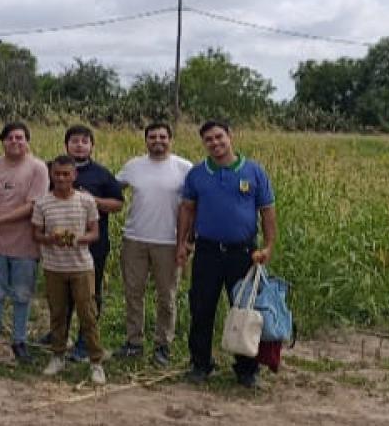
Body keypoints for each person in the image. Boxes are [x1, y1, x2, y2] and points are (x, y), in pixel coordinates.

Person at [177, 120, 277, 389]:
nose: (215, 143)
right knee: (201, 309)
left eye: (219, 137)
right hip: (207, 251)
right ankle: (200, 364)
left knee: (244, 310)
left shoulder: (254, 171)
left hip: (243, 254)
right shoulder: (197, 174)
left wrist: (267, 246)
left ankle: (246, 370)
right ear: (204, 143)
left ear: (230, 136)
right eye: (208, 139)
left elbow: (267, 211)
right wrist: (182, 244)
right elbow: (187, 209)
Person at [113, 122, 192, 366]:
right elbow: (113, 189)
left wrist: (188, 241)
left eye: (162, 137)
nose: (158, 141)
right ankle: (134, 342)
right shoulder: (133, 166)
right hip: (135, 239)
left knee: (166, 296)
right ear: (145, 140)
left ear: (170, 139)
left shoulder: (184, 168)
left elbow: (194, 206)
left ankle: (162, 345)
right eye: (152, 137)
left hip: (169, 241)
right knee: (133, 293)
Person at [0, 121, 49, 361]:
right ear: (3, 142)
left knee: (21, 295)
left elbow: (32, 206)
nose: (15, 142)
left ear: (27, 141)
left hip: (24, 244)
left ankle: (19, 341)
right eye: (10, 138)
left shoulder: (38, 168)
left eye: (20, 138)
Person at [50, 125, 124, 361]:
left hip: (92, 246)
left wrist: (94, 201)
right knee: (60, 292)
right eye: (74, 141)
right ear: (66, 145)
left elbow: (118, 204)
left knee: (89, 295)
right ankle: (58, 334)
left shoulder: (102, 174)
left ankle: (84, 341)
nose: (79, 145)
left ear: (91, 146)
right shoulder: (52, 170)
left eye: (84, 141)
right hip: (59, 246)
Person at [33, 156, 106, 386]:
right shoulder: (42, 203)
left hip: (81, 267)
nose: (62, 179)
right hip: (54, 267)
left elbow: (95, 233)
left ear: (74, 176)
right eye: (57, 174)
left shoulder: (86, 201)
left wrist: (79, 239)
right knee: (57, 313)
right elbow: (36, 234)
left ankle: (96, 361)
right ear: (51, 175)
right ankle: (57, 355)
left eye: (66, 174)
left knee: (88, 314)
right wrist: (50, 238)